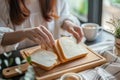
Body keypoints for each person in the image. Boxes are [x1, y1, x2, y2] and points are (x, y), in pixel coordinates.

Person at [0, 0, 83, 54]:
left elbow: (63, 15)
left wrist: (67, 23)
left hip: (52, 55)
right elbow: (2, 37)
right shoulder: (3, 3)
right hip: (19, 62)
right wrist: (24, 33)